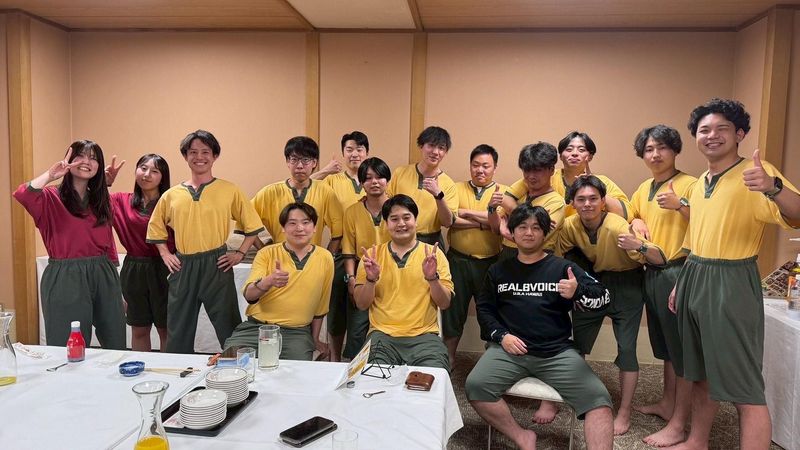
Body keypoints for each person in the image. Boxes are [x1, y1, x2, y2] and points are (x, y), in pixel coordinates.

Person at [666, 99, 800, 450]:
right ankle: (697, 441)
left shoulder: (757, 173)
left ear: (739, 134)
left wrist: (772, 186)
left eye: (721, 128)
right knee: (700, 373)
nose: (711, 135)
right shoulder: (700, 183)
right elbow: (696, 238)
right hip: (695, 273)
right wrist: (682, 283)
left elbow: (797, 213)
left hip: (732, 280)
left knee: (745, 388)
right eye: (704, 130)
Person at [466, 204, 613, 450]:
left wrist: (578, 291)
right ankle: (522, 436)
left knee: (599, 400)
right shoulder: (498, 270)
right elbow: (485, 309)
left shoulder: (562, 268)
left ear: (545, 233)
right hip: (509, 350)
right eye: (522, 227)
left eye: (536, 227)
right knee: (475, 386)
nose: (529, 232)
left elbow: (604, 297)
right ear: (512, 232)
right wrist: (501, 336)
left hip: (556, 352)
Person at [556, 175, 666, 435]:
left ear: (603, 201)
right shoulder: (570, 225)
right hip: (594, 282)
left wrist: (639, 245)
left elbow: (659, 258)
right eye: (581, 199)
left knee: (627, 349)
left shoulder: (617, 226)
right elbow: (558, 253)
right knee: (576, 345)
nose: (587, 204)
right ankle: (578, 398)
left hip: (627, 285)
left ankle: (624, 413)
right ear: (573, 202)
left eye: (593, 198)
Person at [147, 130, 264, 354]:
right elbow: (156, 227)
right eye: (193, 152)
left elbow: (252, 227)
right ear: (185, 156)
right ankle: (179, 372)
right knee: (178, 328)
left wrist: (240, 253)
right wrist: (165, 253)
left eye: (205, 152)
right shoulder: (171, 195)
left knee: (228, 324)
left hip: (217, 264)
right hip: (183, 266)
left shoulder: (229, 190)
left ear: (215, 156)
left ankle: (238, 369)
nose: (199, 157)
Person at [13, 140, 125, 349]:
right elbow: (23, 194)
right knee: (68, 345)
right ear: (69, 160)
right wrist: (50, 175)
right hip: (66, 276)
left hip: (104, 272)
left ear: (99, 166)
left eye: (93, 158)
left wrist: (116, 290)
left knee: (115, 340)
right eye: (80, 156)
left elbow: (108, 243)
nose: (86, 162)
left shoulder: (101, 201)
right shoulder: (50, 198)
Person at [628, 125, 696, 447]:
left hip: (679, 270)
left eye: (662, 148)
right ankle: (668, 404)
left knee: (681, 352)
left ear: (675, 150)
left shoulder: (690, 184)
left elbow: (709, 226)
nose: (655, 155)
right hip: (652, 271)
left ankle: (679, 423)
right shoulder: (645, 187)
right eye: (649, 149)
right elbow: (632, 212)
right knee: (666, 348)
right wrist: (635, 220)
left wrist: (681, 205)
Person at [354, 194, 453, 371]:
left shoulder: (433, 255)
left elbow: (445, 303)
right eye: (394, 219)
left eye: (407, 217)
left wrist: (432, 278)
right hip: (382, 336)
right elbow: (361, 304)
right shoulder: (371, 257)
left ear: (416, 220)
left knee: (434, 378)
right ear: (386, 223)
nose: (401, 223)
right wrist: (370, 279)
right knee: (372, 379)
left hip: (424, 336)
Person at [223, 203, 332, 360]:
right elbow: (249, 295)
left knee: (296, 370)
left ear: (315, 227)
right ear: (283, 228)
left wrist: (315, 339)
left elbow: (321, 305)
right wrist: (267, 281)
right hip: (256, 328)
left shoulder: (325, 257)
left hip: (297, 333)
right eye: (292, 223)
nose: (300, 228)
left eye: (306, 222)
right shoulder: (266, 253)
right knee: (231, 363)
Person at [442, 144, 507, 369]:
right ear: (470, 166)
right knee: (452, 311)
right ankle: (449, 358)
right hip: (457, 260)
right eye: (475, 165)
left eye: (486, 166)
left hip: (490, 263)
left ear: (495, 167)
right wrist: (483, 222)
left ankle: (491, 362)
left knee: (490, 311)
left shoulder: (503, 192)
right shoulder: (455, 188)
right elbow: (450, 219)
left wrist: (467, 213)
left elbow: (499, 225)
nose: (480, 170)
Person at [313, 131, 370, 362]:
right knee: (336, 309)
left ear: (367, 153)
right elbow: (304, 184)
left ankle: (358, 360)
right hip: (338, 254)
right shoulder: (331, 181)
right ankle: (335, 359)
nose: (355, 154)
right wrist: (326, 170)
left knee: (361, 309)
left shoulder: (374, 178)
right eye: (349, 149)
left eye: (359, 149)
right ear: (343, 153)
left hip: (366, 256)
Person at [108, 153, 174, 352]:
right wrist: (104, 183)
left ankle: (168, 369)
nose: (147, 174)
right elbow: (89, 201)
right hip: (134, 269)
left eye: (154, 171)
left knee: (166, 329)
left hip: (165, 268)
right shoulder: (121, 200)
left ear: (163, 177)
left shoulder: (172, 203)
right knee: (139, 329)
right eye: (143, 168)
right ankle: (141, 369)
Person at [248, 136, 342, 252]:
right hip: (279, 258)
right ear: (287, 162)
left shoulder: (325, 192)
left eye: (305, 160)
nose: (300, 165)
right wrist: (263, 250)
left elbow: (338, 231)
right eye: (294, 159)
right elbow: (245, 218)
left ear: (314, 163)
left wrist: (328, 257)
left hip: (312, 258)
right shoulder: (270, 192)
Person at [340, 157, 391, 360]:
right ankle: (354, 365)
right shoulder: (352, 212)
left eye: (379, 177)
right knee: (357, 327)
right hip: (362, 272)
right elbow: (348, 250)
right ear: (361, 183)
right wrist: (351, 279)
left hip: (392, 271)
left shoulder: (397, 208)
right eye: (368, 178)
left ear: (388, 180)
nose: (374, 182)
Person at [493, 142, 566, 261]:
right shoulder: (520, 193)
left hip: (538, 260)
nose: (531, 176)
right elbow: (498, 222)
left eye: (537, 170)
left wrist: (506, 232)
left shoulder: (556, 202)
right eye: (527, 170)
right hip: (507, 255)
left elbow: (536, 239)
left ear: (551, 170)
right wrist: (492, 210)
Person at [386, 126, 457, 245]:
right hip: (399, 237)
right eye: (431, 145)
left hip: (430, 241)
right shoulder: (400, 173)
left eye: (441, 148)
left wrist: (438, 195)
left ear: (445, 152)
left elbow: (447, 223)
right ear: (421, 146)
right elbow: (386, 204)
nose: (435, 152)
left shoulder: (449, 184)